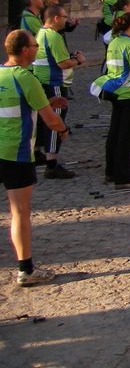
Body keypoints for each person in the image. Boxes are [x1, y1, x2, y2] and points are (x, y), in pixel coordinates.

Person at [2, 29, 68, 286]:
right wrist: (62, 128)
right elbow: (50, 120)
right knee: (20, 212)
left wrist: (48, 100)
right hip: (16, 151)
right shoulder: (25, 77)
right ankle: (25, 268)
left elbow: (16, 103)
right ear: (25, 50)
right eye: (34, 45)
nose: (37, 48)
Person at [93, 12, 130, 188]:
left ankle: (110, 172)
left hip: (116, 91)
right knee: (126, 137)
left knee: (115, 133)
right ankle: (123, 177)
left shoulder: (114, 42)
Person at [32, 4, 84, 179]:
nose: (66, 20)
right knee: (56, 120)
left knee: (42, 119)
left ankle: (38, 153)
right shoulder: (53, 36)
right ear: (55, 18)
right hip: (53, 81)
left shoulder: (41, 32)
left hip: (40, 81)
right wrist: (78, 60)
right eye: (64, 17)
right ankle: (52, 164)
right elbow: (62, 63)